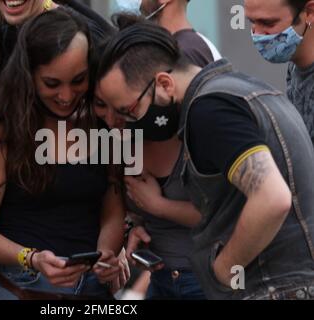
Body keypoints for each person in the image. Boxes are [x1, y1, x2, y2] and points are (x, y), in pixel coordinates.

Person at [95, 19, 314, 300]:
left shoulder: (209, 109)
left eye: (130, 111)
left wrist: (221, 271)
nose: (125, 124)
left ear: (163, 83)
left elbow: (272, 198)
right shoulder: (240, 89)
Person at [0, 8, 125, 300]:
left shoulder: (104, 128)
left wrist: (105, 254)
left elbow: (113, 213)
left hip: (89, 287)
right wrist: (32, 258)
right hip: (18, 286)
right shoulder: (1, 135)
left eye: (78, 80)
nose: (66, 96)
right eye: (51, 84)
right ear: (28, 76)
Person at [93, 15, 206, 300]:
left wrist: (158, 206)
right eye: (99, 104)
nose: (111, 118)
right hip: (161, 278)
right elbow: (131, 209)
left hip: (207, 279)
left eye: (121, 107)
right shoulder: (120, 140)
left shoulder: (193, 120)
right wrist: (136, 225)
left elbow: (228, 212)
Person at [245, 0, 314, 145]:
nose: (257, 34)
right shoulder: (295, 65)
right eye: (252, 22)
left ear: (309, 12)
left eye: (268, 23)